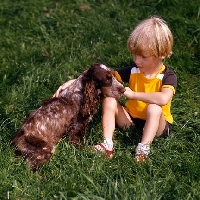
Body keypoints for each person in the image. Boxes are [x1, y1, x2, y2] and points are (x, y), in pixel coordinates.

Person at [53, 16, 177, 162]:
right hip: (131, 121)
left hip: (158, 127)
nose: (137, 60)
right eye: (134, 54)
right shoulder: (133, 69)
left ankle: (143, 149)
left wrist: (134, 95)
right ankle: (107, 144)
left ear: (162, 54)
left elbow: (164, 98)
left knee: (154, 108)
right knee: (109, 99)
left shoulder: (167, 76)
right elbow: (104, 77)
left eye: (143, 56)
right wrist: (73, 81)